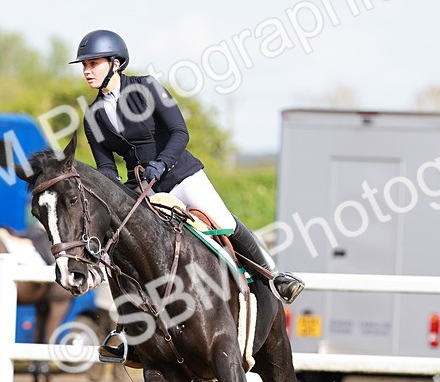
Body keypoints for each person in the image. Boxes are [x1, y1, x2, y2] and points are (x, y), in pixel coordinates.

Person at [68, 29, 303, 363]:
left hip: (180, 174)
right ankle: (128, 329)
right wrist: (113, 194)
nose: (87, 70)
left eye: (93, 63)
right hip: (141, 191)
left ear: (115, 63)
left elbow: (180, 132)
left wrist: (161, 163)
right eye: (84, 65)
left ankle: (275, 277)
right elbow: (107, 168)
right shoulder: (93, 117)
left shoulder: (146, 88)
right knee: (121, 247)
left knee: (222, 222)